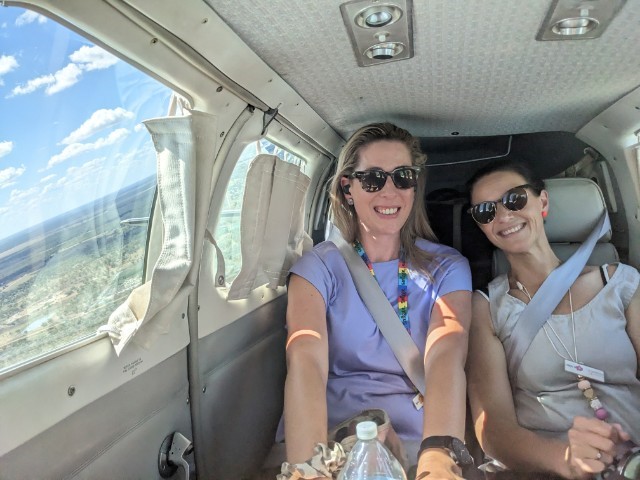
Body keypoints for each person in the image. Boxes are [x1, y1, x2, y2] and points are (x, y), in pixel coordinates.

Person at [276, 123, 473, 479]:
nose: (389, 190)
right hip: (331, 441)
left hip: (420, 440)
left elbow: (447, 358)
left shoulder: (448, 268)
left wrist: (438, 455)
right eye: (373, 179)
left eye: (403, 176)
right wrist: (309, 466)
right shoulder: (316, 269)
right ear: (347, 188)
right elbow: (306, 362)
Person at [465, 160, 640, 479]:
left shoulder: (622, 284)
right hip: (547, 469)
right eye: (485, 212)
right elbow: (493, 428)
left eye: (514, 199)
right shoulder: (486, 308)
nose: (503, 215)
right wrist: (567, 460)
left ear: (542, 202)